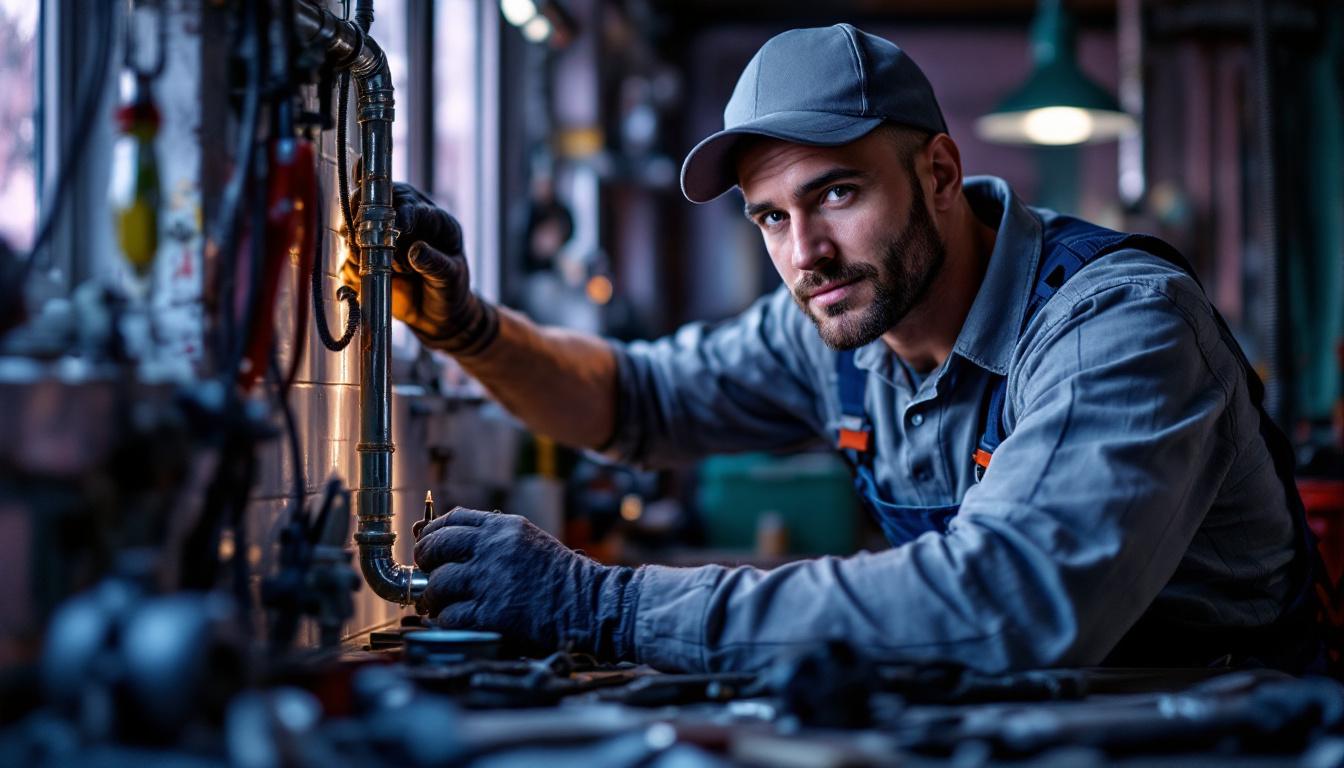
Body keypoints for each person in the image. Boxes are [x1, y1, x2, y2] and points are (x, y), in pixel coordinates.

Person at [346, 24, 1324, 674]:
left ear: (940, 171)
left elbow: (1014, 602)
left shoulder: (1116, 325)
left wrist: (604, 605)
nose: (804, 254)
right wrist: (465, 327)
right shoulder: (838, 320)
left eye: (838, 194)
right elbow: (637, 402)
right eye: (770, 216)